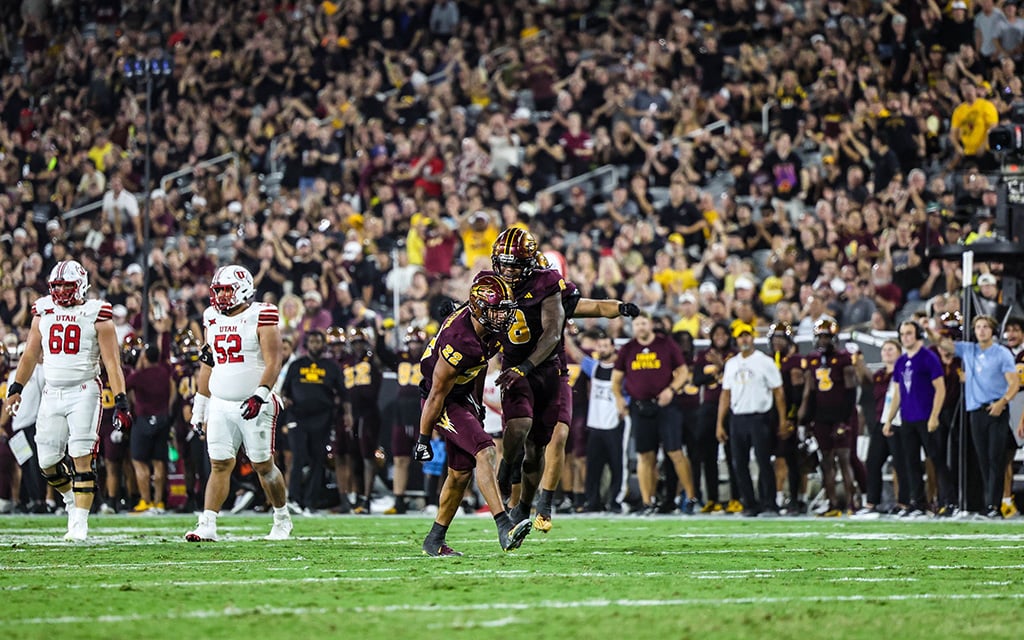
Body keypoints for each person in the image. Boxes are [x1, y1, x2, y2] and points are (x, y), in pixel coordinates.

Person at [2, 260, 132, 541]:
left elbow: (112, 363)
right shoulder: (43, 310)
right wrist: (16, 389)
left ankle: (80, 523)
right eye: (57, 285)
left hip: (84, 390)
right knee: (47, 462)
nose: (60, 291)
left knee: (81, 456)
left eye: (66, 285)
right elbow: (29, 355)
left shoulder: (97, 313)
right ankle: (71, 499)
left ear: (81, 285)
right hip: (51, 392)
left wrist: (121, 402)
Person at [413, 273, 532, 556]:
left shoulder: (488, 328)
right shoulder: (459, 339)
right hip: (440, 401)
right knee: (485, 450)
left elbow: (477, 368)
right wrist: (423, 439)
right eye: (497, 309)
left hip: (461, 395)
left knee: (460, 473)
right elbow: (436, 393)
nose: (503, 316)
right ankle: (504, 525)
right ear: (479, 309)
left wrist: (476, 405)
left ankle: (434, 540)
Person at [185, 265, 293, 542]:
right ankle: (207, 523)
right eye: (218, 289)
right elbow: (208, 365)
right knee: (219, 464)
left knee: (263, 465)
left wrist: (260, 395)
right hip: (221, 402)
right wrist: (200, 408)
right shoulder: (211, 317)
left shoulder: (261, 314)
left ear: (243, 289)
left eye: (226, 289)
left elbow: (274, 361)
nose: (220, 295)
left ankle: (282, 517)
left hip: (255, 402)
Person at [611, 313, 695, 515]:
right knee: (645, 456)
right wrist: (619, 399)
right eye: (637, 323)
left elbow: (683, 371)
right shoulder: (628, 348)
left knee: (675, 452)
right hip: (640, 408)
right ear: (633, 327)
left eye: (643, 323)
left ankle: (691, 497)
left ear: (650, 324)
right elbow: (616, 380)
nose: (640, 327)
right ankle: (648, 502)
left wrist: (671, 390)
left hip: (665, 406)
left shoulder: (665, 344)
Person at [944, 315, 1018, 518]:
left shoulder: (1001, 353)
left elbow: (1014, 383)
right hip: (975, 411)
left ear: (992, 330)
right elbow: (944, 344)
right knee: (983, 459)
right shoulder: (969, 350)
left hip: (996, 409)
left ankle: (994, 506)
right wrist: (934, 329)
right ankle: (989, 504)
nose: (982, 330)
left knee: (996, 458)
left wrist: (1002, 402)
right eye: (978, 327)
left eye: (985, 326)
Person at [716, 323, 788, 517]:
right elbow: (725, 395)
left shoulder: (764, 361)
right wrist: (719, 423)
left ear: (753, 338)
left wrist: (782, 420)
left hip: (759, 417)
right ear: (736, 340)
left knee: (764, 461)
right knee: (739, 464)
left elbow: (778, 392)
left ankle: (769, 503)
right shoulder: (731, 364)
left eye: (747, 336)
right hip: (738, 418)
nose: (744, 340)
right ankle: (749, 504)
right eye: (740, 337)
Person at [797, 319, 859, 517]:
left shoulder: (844, 359)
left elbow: (851, 392)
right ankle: (832, 503)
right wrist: (806, 421)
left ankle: (851, 503)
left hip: (840, 415)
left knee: (843, 459)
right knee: (826, 461)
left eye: (827, 337)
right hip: (821, 416)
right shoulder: (813, 360)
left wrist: (845, 419)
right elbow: (811, 393)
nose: (823, 341)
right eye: (821, 336)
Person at [280, 329, 346, 514]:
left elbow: (343, 393)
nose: (315, 345)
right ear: (306, 344)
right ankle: (293, 499)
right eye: (312, 342)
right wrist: (285, 402)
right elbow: (284, 391)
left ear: (323, 345)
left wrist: (346, 414)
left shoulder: (331, 366)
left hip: (323, 418)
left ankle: (310, 501)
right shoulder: (296, 365)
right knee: (297, 457)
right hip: (297, 416)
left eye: (319, 342)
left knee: (318, 460)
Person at [883, 321, 945, 517]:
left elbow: (940, 389)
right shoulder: (901, 361)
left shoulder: (928, 357)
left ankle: (946, 501)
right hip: (908, 418)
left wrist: (934, 416)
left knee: (937, 460)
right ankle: (917, 503)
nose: (905, 337)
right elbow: (898, 393)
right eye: (902, 334)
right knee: (911, 463)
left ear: (918, 334)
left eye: (909, 333)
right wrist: (890, 419)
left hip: (926, 417)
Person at [378, 326, 428, 515]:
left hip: (420, 411)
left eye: (417, 342)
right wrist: (382, 334)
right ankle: (399, 500)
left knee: (429, 458)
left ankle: (430, 499)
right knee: (400, 458)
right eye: (412, 342)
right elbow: (382, 354)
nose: (414, 346)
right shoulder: (401, 357)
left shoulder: (429, 358)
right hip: (401, 412)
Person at [579, 329, 626, 512]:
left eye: (606, 345)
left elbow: (628, 390)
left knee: (617, 465)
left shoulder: (620, 370)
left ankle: (615, 501)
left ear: (613, 347)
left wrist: (625, 406)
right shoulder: (595, 366)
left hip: (614, 423)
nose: (603, 348)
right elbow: (576, 354)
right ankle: (593, 502)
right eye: (600, 346)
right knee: (593, 467)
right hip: (596, 424)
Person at [125, 343, 175, 513]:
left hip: (143, 421)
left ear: (144, 357)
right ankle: (159, 502)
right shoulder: (164, 372)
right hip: (162, 420)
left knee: (139, 462)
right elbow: (173, 391)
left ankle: (146, 501)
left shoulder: (139, 375)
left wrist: (138, 366)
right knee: (159, 462)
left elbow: (124, 385)